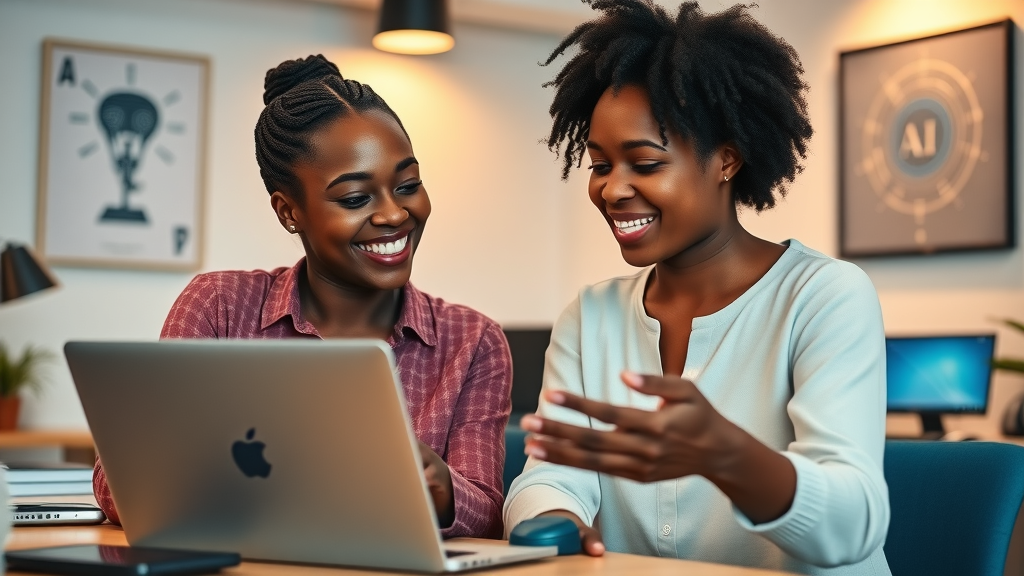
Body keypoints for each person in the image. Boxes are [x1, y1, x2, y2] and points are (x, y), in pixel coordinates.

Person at [502, 2, 890, 574]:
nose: (613, 190)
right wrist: (552, 516)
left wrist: (725, 454)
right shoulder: (591, 315)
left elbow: (853, 524)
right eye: (600, 165)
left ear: (726, 161)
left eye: (645, 163)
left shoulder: (825, 296)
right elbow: (553, 476)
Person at [93, 55, 511, 539]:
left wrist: (440, 489)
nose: (395, 214)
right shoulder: (220, 307)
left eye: (408, 185)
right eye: (356, 198)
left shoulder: (474, 341)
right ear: (289, 212)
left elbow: (486, 512)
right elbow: (117, 478)